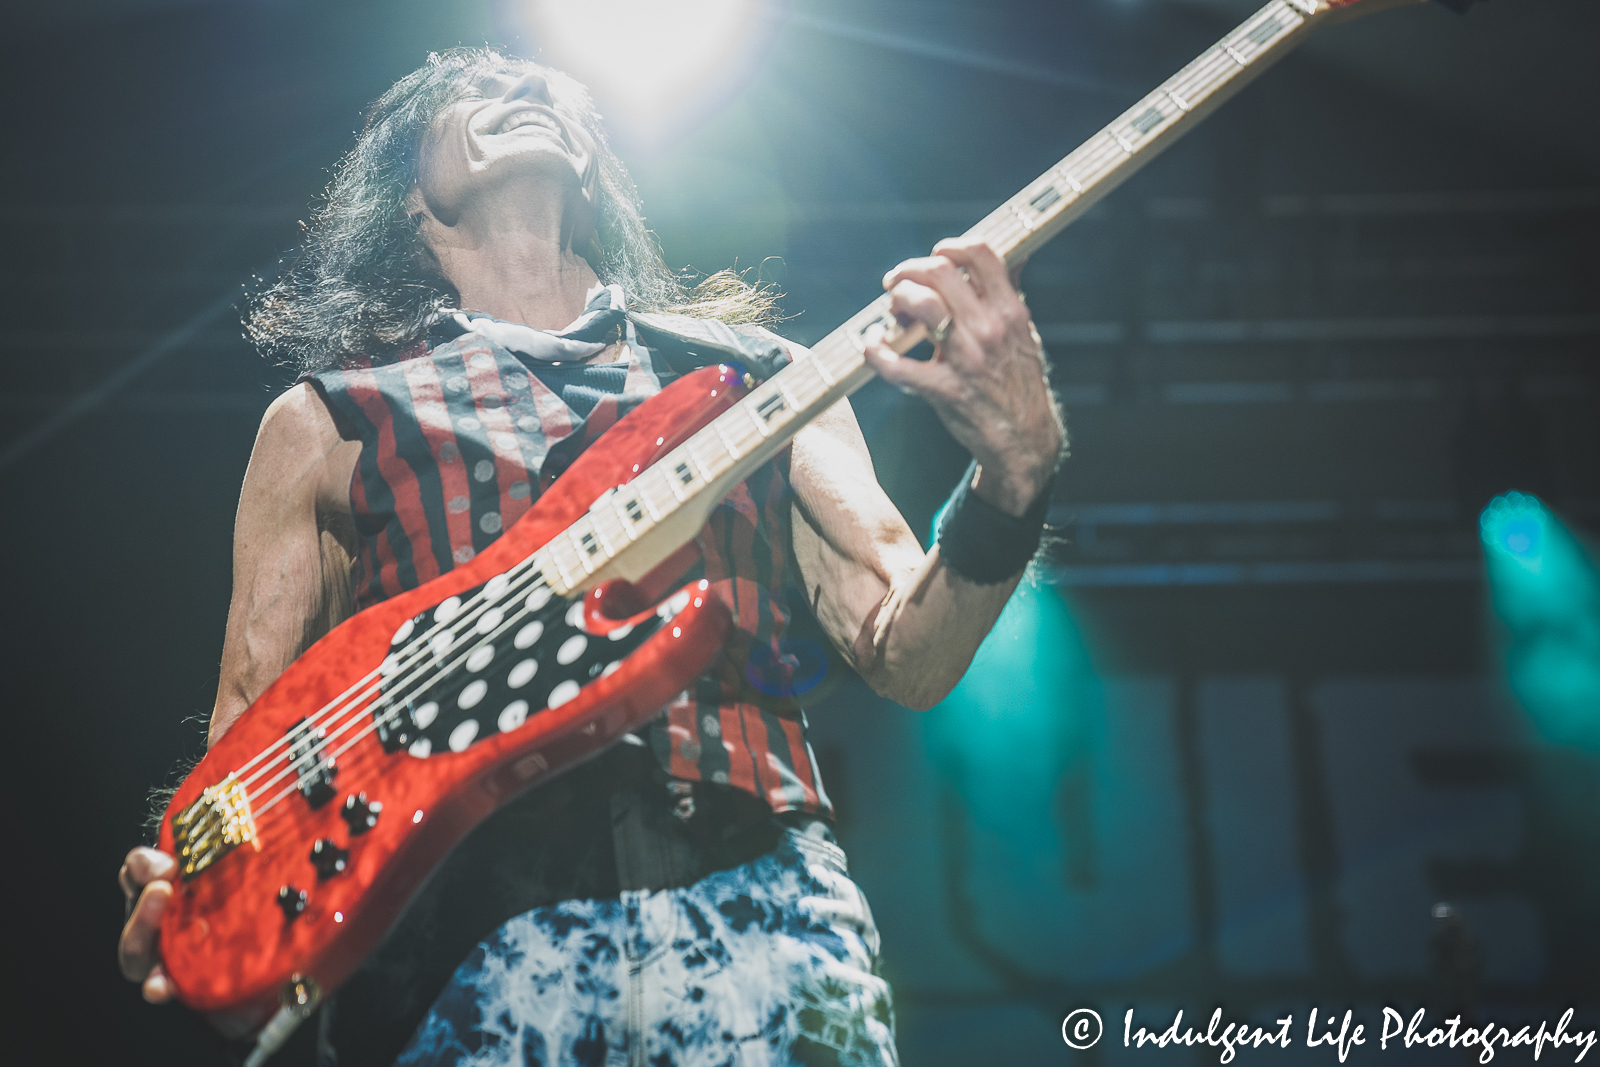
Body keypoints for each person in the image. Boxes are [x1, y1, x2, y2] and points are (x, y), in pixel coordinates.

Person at [118, 48, 1063, 1066]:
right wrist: (194, 890)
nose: (528, 90)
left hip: (760, 925)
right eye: (475, 94)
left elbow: (906, 654)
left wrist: (1015, 476)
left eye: (551, 92)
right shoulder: (325, 424)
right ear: (406, 195)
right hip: (452, 953)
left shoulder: (755, 376)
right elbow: (248, 749)